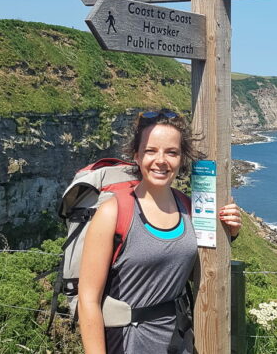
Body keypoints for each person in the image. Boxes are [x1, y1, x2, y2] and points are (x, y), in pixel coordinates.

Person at [78, 110, 242, 354]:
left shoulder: (189, 208)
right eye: (151, 150)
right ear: (136, 156)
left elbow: (202, 265)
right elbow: (88, 300)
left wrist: (230, 230)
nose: (161, 160)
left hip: (179, 341)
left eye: (172, 152)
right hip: (127, 343)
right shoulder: (114, 212)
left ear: (181, 159)